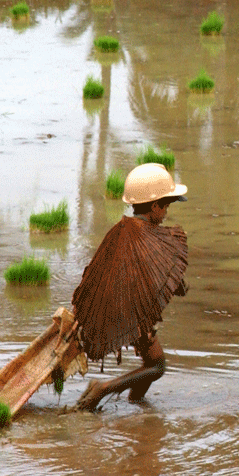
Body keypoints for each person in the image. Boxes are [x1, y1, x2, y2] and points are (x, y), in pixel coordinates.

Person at [74, 163, 188, 411]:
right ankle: (102, 389)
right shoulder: (150, 239)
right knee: (157, 366)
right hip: (133, 310)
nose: (166, 213)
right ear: (155, 206)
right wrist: (178, 284)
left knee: (150, 363)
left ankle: (138, 405)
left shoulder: (120, 231)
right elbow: (162, 270)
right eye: (166, 206)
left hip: (120, 305)